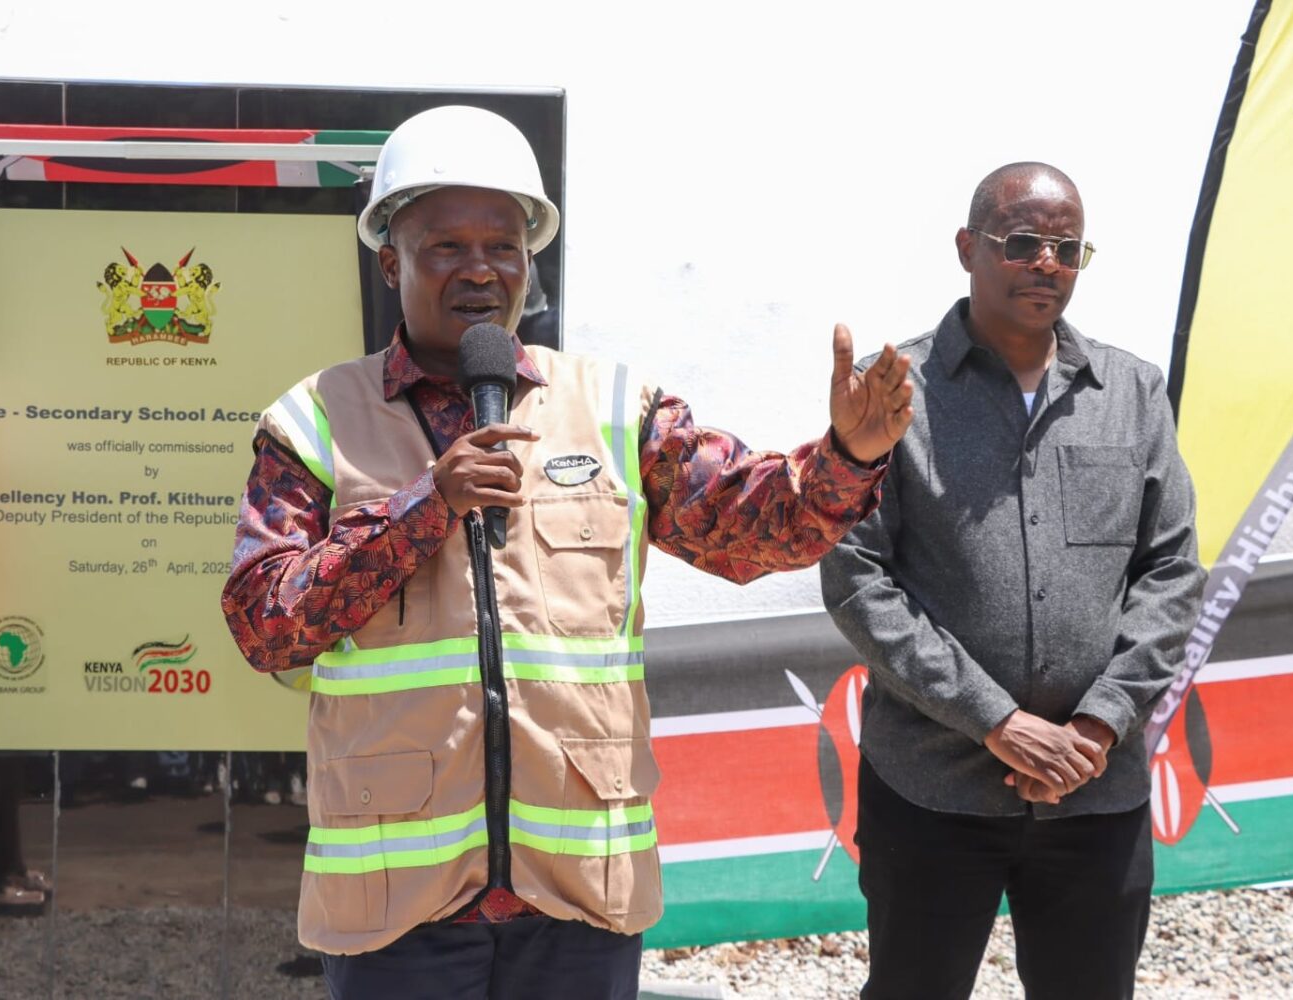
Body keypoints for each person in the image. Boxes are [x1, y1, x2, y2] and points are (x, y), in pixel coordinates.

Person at [221, 105, 914, 1000]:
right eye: (445, 247)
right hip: (395, 906)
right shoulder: (315, 422)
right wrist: (425, 506)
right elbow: (264, 624)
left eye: (503, 246)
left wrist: (849, 456)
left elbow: (752, 526)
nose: (480, 270)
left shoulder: (617, 410)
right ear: (388, 259)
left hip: (580, 890)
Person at [819, 162, 1206, 1000]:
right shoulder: (892, 396)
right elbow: (857, 581)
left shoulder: (1131, 392)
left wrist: (1100, 726)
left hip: (1094, 791)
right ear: (968, 248)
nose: (1046, 264)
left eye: (1067, 249)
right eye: (1022, 242)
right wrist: (994, 720)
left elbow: (1171, 573)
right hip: (931, 788)